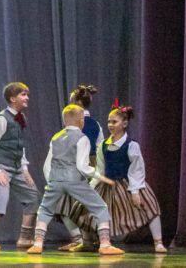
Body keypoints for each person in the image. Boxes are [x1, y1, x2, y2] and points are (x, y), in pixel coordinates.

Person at [67, 103, 166, 253]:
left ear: (124, 124)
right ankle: (87, 242)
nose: (110, 125)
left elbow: (137, 169)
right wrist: (90, 187)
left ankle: (158, 242)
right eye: (109, 121)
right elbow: (100, 169)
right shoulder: (103, 145)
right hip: (107, 185)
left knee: (150, 207)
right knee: (83, 207)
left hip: (127, 183)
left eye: (114, 122)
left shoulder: (131, 145)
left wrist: (135, 191)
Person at [25, 105, 123, 255]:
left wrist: (52, 182)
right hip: (75, 181)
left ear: (64, 121)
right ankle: (105, 244)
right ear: (81, 121)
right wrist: (98, 175)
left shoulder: (56, 137)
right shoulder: (82, 138)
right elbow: (82, 167)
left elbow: (47, 166)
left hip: (56, 180)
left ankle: (38, 244)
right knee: (100, 207)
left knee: (44, 209)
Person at [0, 81, 39, 250]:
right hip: (1, 165)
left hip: (17, 166)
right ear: (13, 99)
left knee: (33, 196)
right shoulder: (1, 119)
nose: (27, 98)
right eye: (23, 95)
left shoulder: (21, 118)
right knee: (1, 197)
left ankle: (25, 238)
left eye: (27, 94)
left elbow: (20, 145)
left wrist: (24, 169)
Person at [57, 84, 105, 251]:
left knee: (64, 203)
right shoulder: (96, 124)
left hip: (76, 165)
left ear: (77, 103)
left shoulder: (74, 123)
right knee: (85, 204)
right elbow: (100, 147)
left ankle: (80, 238)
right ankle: (91, 239)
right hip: (92, 165)